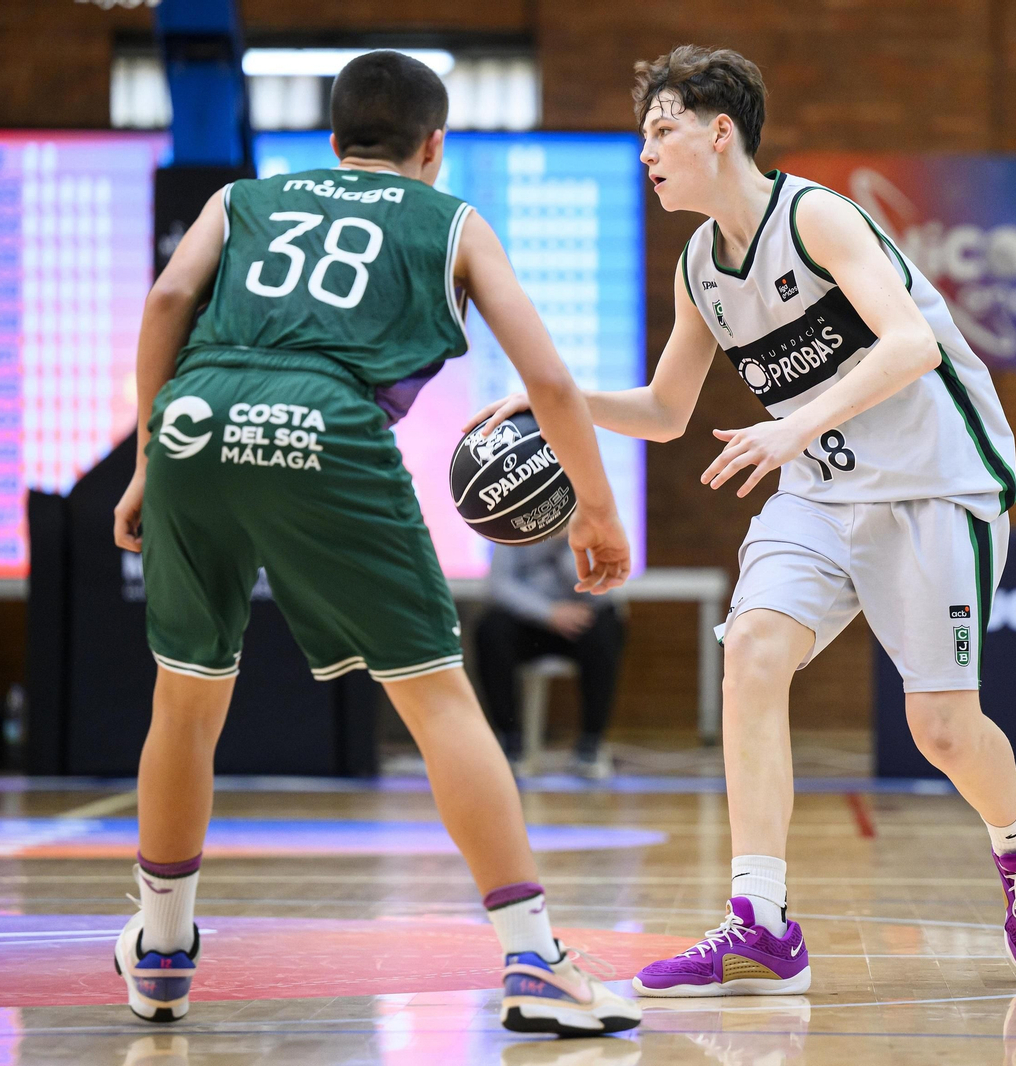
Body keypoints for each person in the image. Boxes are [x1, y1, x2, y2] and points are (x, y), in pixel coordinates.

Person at [468, 45, 1016, 997]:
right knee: (751, 651)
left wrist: (789, 426)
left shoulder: (818, 216)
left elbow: (911, 343)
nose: (646, 154)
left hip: (935, 486)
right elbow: (668, 411)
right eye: (642, 138)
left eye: (661, 131)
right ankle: (760, 921)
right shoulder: (702, 265)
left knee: (943, 731)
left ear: (720, 132)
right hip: (821, 491)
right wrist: (560, 402)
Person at [110, 51, 640, 1036]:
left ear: (331, 141)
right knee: (439, 699)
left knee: (183, 701)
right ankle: (534, 958)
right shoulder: (453, 221)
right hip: (328, 420)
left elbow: (164, 304)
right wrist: (596, 510)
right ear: (433, 147)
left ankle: (162, 949)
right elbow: (553, 386)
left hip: (195, 415)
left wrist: (148, 454)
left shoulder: (240, 198)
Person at [475, 540, 627, 778]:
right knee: (490, 629)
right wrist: (549, 613)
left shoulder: (591, 526)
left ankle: (590, 744)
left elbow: (602, 593)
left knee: (608, 627)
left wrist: (568, 546)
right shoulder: (512, 524)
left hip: (579, 621)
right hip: (530, 620)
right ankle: (511, 742)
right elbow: (499, 584)